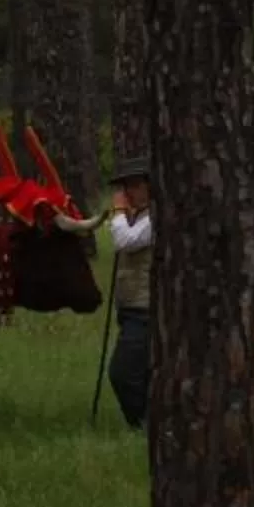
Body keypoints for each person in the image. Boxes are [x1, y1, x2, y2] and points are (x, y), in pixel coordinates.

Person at [102, 157, 153, 430]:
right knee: (140, 372)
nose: (127, 193)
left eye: (133, 185)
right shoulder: (139, 217)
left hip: (147, 310)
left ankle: (142, 425)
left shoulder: (156, 218)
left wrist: (119, 213)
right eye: (124, 186)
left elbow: (126, 241)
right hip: (132, 310)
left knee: (122, 373)